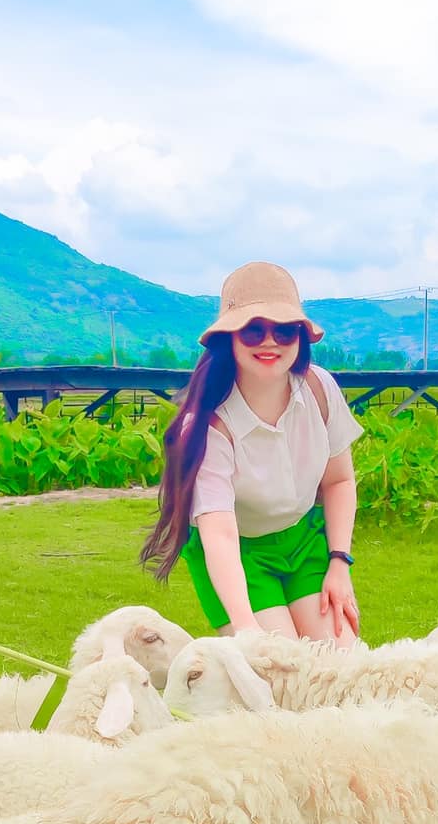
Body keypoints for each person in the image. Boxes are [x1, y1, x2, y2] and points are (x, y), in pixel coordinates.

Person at [142, 262, 363, 641]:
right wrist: (247, 631)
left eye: (284, 330)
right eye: (253, 330)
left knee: (343, 667)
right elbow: (221, 535)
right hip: (239, 554)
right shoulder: (210, 424)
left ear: (300, 337)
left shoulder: (319, 389)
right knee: (279, 672)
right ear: (228, 338)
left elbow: (339, 480)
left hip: (304, 540)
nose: (270, 342)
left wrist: (339, 563)